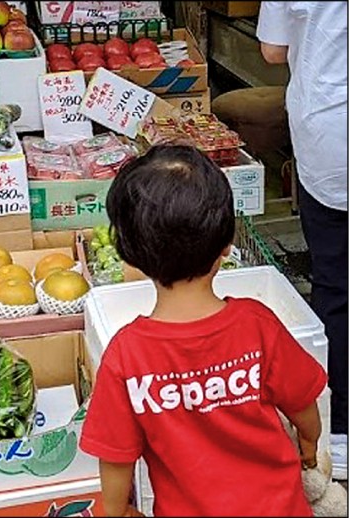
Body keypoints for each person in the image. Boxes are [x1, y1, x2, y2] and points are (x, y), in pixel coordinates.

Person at [79, 146, 327, 517]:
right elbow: (302, 401)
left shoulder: (126, 355)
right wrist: (309, 441)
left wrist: (116, 510)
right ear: (226, 247)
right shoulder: (256, 324)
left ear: (128, 253)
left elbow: (115, 454)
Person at [256, 1, 348, 482]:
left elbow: (272, 50)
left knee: (335, 285)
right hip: (328, 130)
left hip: (330, 135)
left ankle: (342, 432)